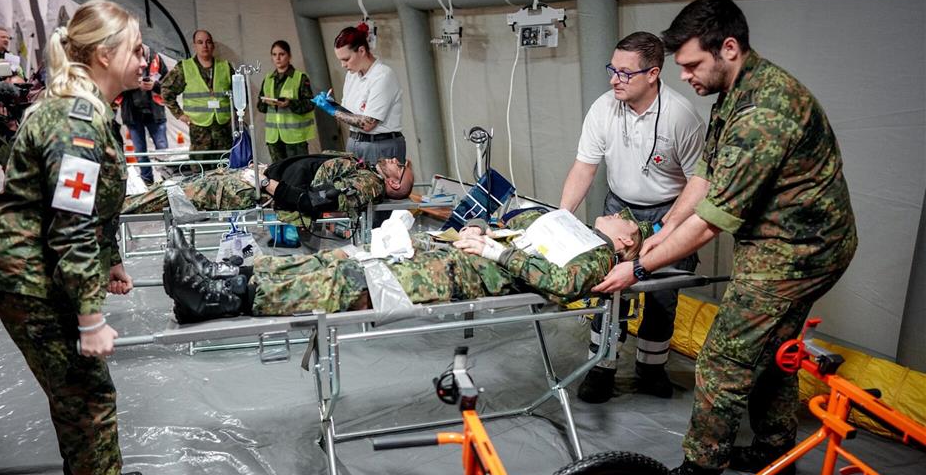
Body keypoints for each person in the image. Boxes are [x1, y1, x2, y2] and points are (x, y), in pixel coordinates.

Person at [595, 0, 858, 475]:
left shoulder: (765, 111)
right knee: (773, 348)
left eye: (692, 64)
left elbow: (712, 222)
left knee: (723, 357)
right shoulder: (734, 94)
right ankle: (775, 451)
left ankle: (700, 472)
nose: (685, 75)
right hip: (785, 239)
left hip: (799, 251)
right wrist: (659, 230)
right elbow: (704, 178)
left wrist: (639, 269)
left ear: (729, 48)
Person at [0, 0, 170, 475]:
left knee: (76, 389)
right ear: (106, 54)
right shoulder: (75, 121)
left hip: (37, 269)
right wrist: (90, 318)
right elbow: (70, 226)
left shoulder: (87, 108)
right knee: (86, 391)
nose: (144, 59)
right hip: (29, 279)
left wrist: (110, 264)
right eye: (136, 48)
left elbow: (90, 207)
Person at [162, 207, 650, 323]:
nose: (605, 210)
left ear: (626, 236)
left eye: (616, 215)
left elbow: (563, 283)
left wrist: (497, 252)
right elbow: (512, 228)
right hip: (449, 252)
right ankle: (230, 277)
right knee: (341, 257)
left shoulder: (597, 253)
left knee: (346, 282)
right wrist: (485, 232)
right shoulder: (571, 227)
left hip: (457, 274)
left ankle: (223, 299)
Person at [560, 31, 706, 403]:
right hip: (619, 208)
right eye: (612, 69)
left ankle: (651, 370)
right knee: (610, 292)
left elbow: (699, 184)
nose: (614, 79)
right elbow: (584, 168)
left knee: (662, 297)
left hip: (670, 209)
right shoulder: (603, 107)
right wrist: (562, 217)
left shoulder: (680, 117)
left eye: (625, 73)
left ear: (653, 74)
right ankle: (602, 367)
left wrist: (667, 229)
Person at [122, 153, 413, 220]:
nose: (394, 159)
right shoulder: (362, 169)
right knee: (173, 188)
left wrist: (265, 183)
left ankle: (106, 211)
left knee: (172, 194)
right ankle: (109, 208)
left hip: (252, 189)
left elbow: (313, 202)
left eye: (398, 165)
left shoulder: (366, 184)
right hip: (254, 179)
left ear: (393, 182)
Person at [311, 24, 405, 165]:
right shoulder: (352, 75)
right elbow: (350, 114)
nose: (343, 65)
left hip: (380, 145)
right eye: (340, 60)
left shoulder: (383, 75)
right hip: (355, 141)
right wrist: (333, 104)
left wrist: (333, 111)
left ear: (361, 50)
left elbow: (368, 123)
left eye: (346, 59)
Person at [161, 29, 233, 152]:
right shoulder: (184, 67)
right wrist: (179, 114)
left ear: (213, 45)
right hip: (199, 129)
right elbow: (166, 90)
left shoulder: (225, 66)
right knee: (201, 166)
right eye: (200, 42)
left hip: (223, 128)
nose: (204, 45)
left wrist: (236, 113)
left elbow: (240, 92)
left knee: (226, 165)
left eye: (208, 42)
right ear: (194, 45)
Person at [257, 40, 316, 162]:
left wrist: (290, 103)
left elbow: (310, 104)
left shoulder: (300, 78)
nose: (277, 58)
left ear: (289, 56)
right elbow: (260, 106)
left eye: (281, 54)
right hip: (274, 138)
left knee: (298, 172)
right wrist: (265, 102)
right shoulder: (268, 78)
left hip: (295, 138)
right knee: (278, 173)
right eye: (274, 54)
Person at [119, 44, 170, 184]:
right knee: (140, 153)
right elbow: (116, 84)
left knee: (163, 152)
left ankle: (168, 182)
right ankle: (147, 183)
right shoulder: (122, 59)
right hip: (133, 115)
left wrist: (155, 85)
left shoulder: (156, 58)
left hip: (156, 114)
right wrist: (134, 84)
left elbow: (169, 84)